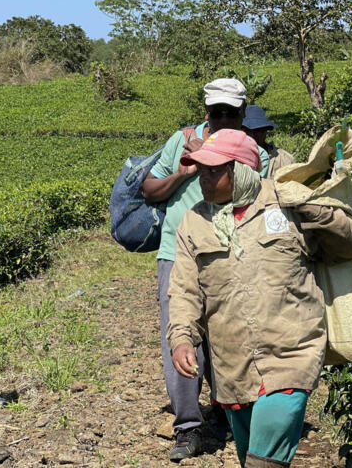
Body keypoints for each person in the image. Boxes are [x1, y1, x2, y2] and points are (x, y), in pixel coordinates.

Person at [166, 130, 352, 468]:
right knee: (252, 457)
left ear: (241, 170)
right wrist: (181, 339)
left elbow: (350, 246)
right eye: (201, 172)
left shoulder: (288, 200)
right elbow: (185, 290)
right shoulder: (193, 223)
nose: (204, 180)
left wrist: (315, 209)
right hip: (233, 367)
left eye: (214, 171)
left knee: (263, 462)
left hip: (291, 354)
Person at [140, 78, 244, 461]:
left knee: (227, 334)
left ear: (242, 113)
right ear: (206, 112)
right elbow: (149, 190)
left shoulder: (250, 149)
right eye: (216, 112)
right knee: (180, 338)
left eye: (230, 113)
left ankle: (225, 409)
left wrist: (212, 156)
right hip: (177, 251)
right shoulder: (180, 140)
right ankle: (187, 426)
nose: (222, 119)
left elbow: (259, 193)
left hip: (229, 252)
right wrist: (184, 172)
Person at [241, 105, 294, 178]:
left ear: (265, 130)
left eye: (258, 130)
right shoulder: (232, 160)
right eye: (247, 130)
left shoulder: (284, 159)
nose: (253, 135)